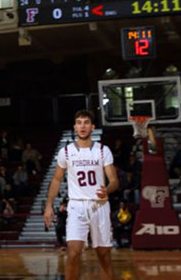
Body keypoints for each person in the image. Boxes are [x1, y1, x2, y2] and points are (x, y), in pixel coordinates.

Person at [43, 110, 118, 280]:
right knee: (73, 253)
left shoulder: (102, 150)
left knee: (104, 255)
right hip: (76, 205)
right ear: (75, 127)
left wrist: (108, 189)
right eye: (79, 122)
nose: (82, 126)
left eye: (86, 122)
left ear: (92, 127)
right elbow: (56, 180)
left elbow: (114, 181)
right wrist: (49, 205)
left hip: (99, 205)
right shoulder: (66, 152)